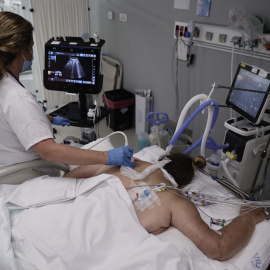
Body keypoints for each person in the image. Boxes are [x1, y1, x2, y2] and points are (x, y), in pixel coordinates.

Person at [64, 152, 269, 261]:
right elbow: (219, 248)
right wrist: (248, 217)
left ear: (162, 160)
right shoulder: (176, 200)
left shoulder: (125, 161)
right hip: (89, 233)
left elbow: (77, 173)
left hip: (68, 218)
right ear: (183, 185)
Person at [0, 11, 134, 173]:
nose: (32, 55)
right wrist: (107, 156)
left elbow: (13, 120)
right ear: (23, 50)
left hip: (12, 167)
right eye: (32, 47)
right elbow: (49, 151)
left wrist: (48, 118)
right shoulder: (18, 98)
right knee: (108, 168)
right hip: (30, 176)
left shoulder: (5, 84)